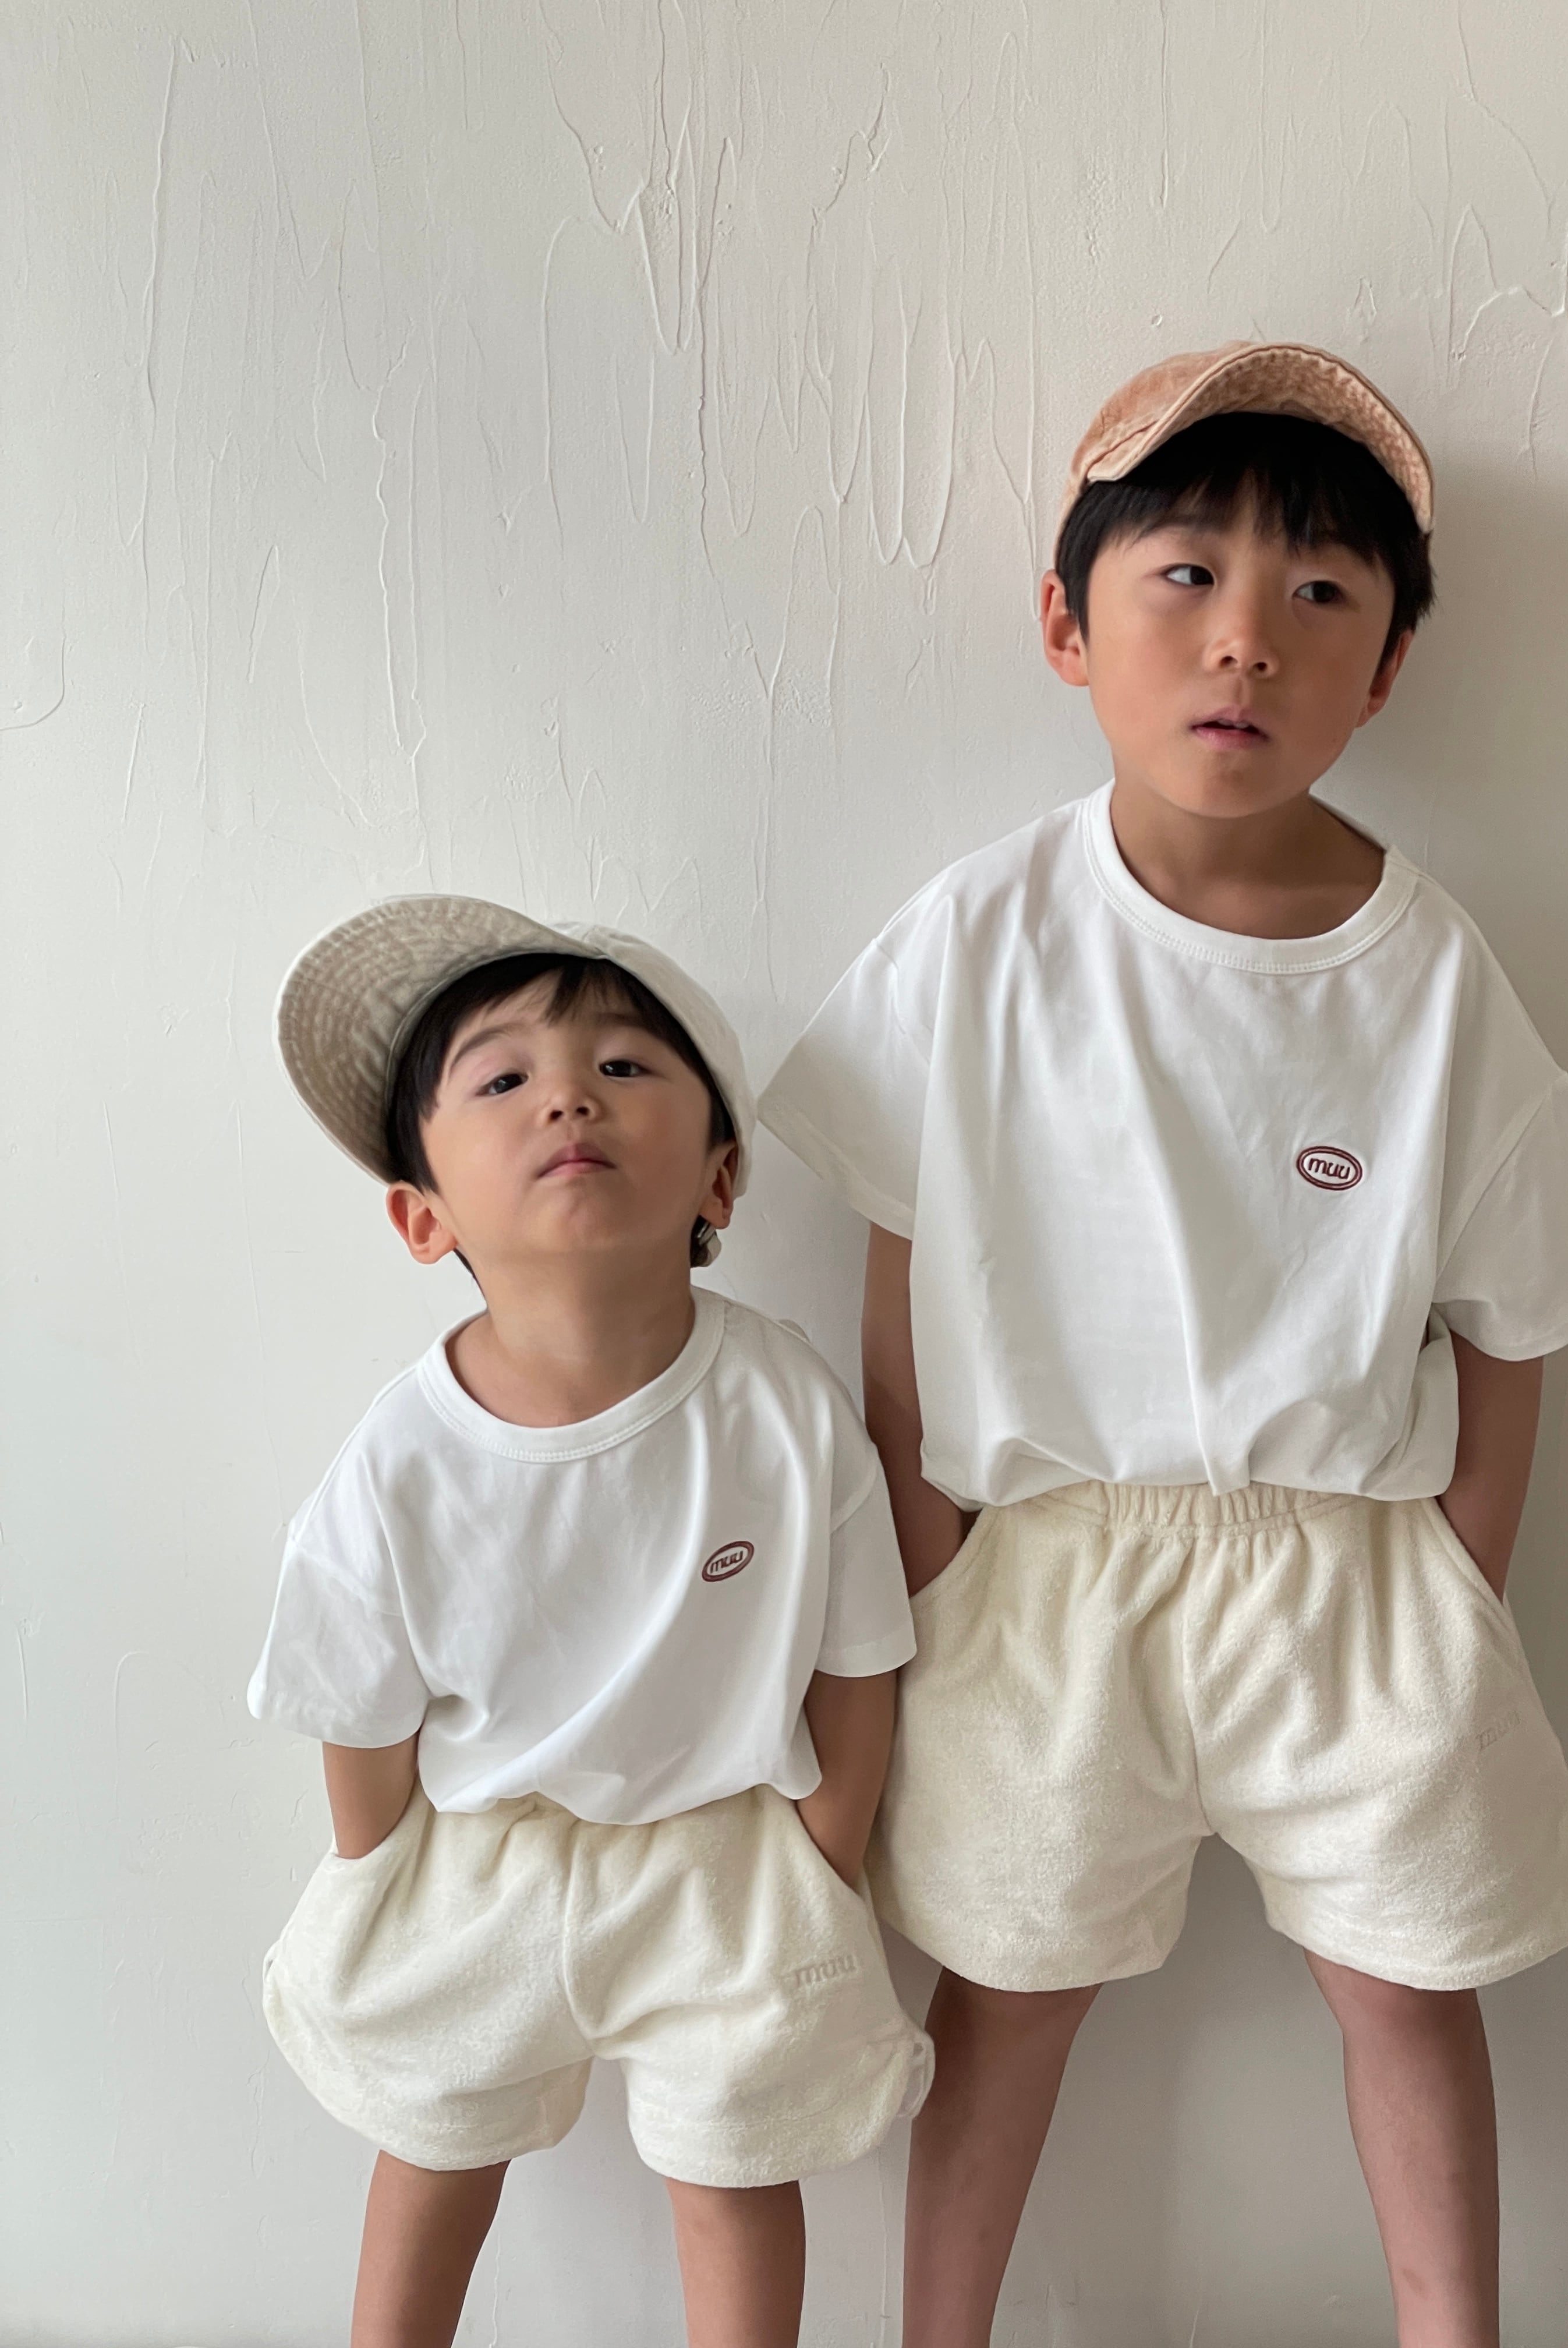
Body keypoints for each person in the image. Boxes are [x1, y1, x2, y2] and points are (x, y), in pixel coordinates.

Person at [758, 342, 1568, 2348]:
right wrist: (927, 1556)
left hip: (1350, 1571)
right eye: (1185, 575)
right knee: (1008, 1982)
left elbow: (1517, 1309)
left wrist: (1463, 1575)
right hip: (1048, 1569)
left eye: (1319, 592)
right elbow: (898, 1268)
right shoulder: (984, 933)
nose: (1247, 637)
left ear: (1385, 669)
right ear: (1067, 624)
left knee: (1407, 1980)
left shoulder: (1426, 968)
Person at [247, 895, 930, 2348]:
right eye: (502, 1078)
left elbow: (858, 1656)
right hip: (485, 1858)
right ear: (423, 1216)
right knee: (437, 2143)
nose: (567, 1095)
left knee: (734, 2166)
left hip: (730, 1859)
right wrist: (384, 1873)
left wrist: (826, 1856)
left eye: (624, 1065)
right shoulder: (403, 1455)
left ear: (722, 1176)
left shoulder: (785, 1404)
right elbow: (354, 1707)